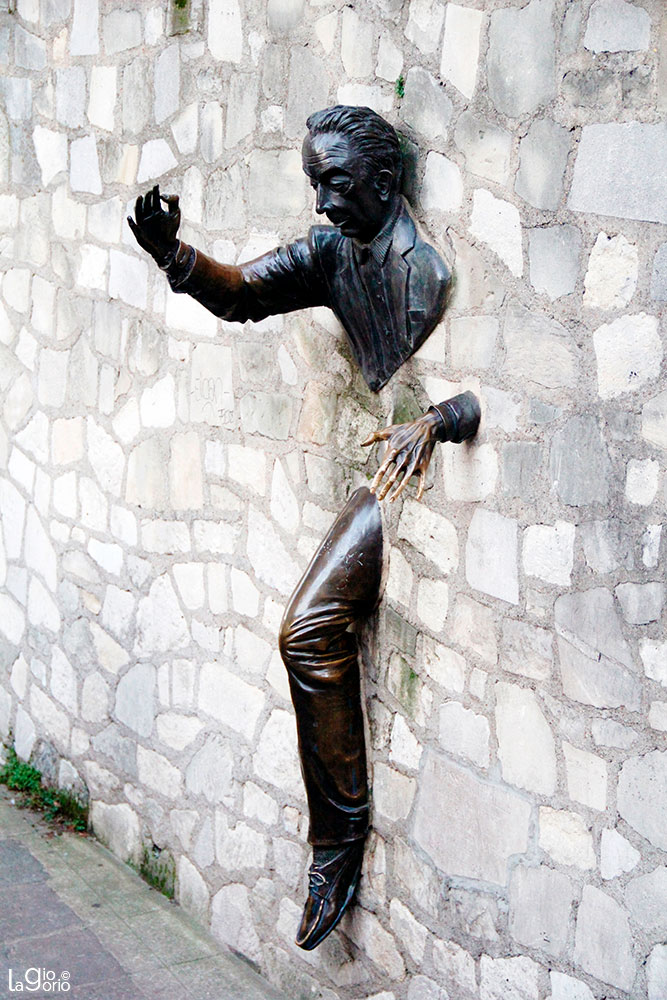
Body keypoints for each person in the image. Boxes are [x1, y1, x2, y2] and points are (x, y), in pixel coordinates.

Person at [128, 105, 480, 950]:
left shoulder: (424, 274)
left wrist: (437, 418)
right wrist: (174, 257)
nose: (321, 205)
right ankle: (335, 843)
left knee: (306, 631)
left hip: (404, 480)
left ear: (386, 181)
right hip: (382, 474)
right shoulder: (332, 252)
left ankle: (339, 840)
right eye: (314, 183)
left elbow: (490, 406)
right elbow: (245, 293)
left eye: (335, 183)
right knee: (305, 635)